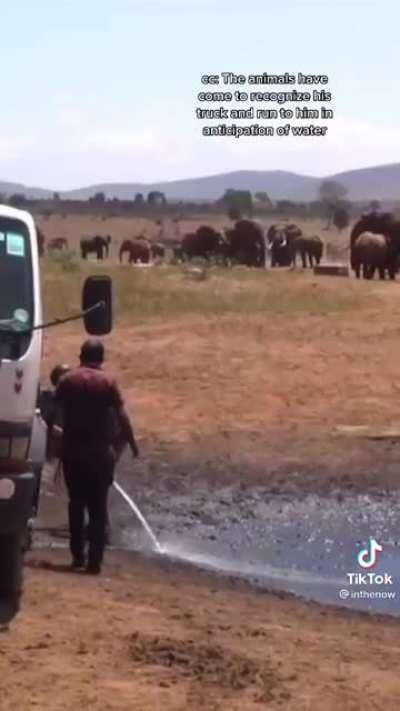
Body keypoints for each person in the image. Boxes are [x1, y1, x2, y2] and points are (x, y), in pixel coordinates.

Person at [54, 338, 139, 574]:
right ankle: (95, 562)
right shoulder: (109, 382)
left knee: (76, 504)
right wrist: (132, 444)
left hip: (74, 452)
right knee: (99, 508)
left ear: (80, 356)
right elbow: (122, 417)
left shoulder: (67, 380)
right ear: (101, 358)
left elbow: (54, 414)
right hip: (101, 454)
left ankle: (77, 557)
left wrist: (56, 443)